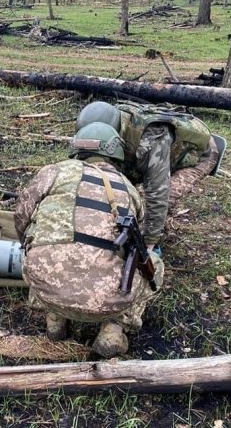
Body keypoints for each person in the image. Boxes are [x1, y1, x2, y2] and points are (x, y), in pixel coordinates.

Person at [14, 122, 164, 357]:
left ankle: (55, 319)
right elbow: (139, 247)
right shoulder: (130, 190)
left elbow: (21, 216)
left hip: (46, 288)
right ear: (115, 153)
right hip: (108, 301)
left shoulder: (54, 172)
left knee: (38, 246)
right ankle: (114, 330)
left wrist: (31, 240)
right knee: (154, 264)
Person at [76, 101, 219, 250]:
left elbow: (158, 192)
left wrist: (148, 245)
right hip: (140, 147)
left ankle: (155, 237)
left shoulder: (152, 139)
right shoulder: (94, 126)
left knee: (166, 194)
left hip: (196, 154)